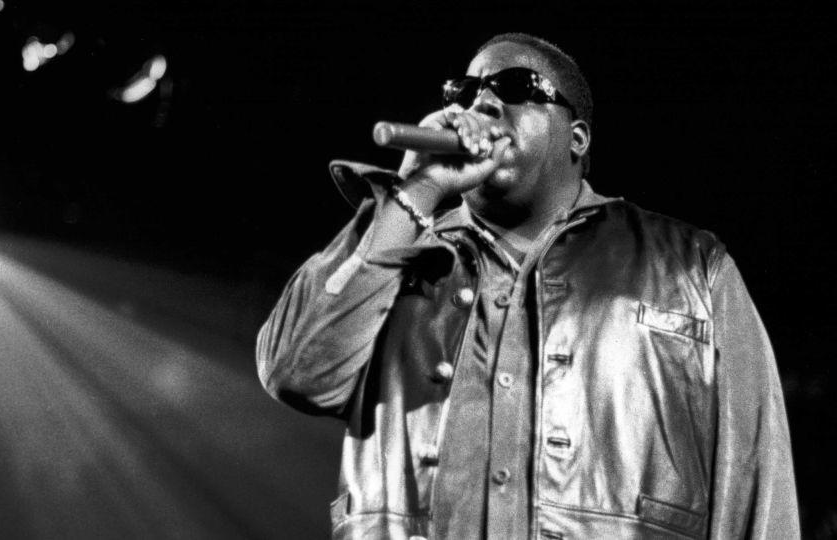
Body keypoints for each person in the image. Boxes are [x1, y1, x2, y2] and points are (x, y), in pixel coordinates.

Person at [256, 32, 799, 539]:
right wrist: (414, 190)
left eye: (515, 88)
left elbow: (759, 485)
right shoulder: (398, 256)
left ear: (577, 138)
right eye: (465, 92)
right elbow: (294, 372)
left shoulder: (693, 267)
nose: (481, 105)